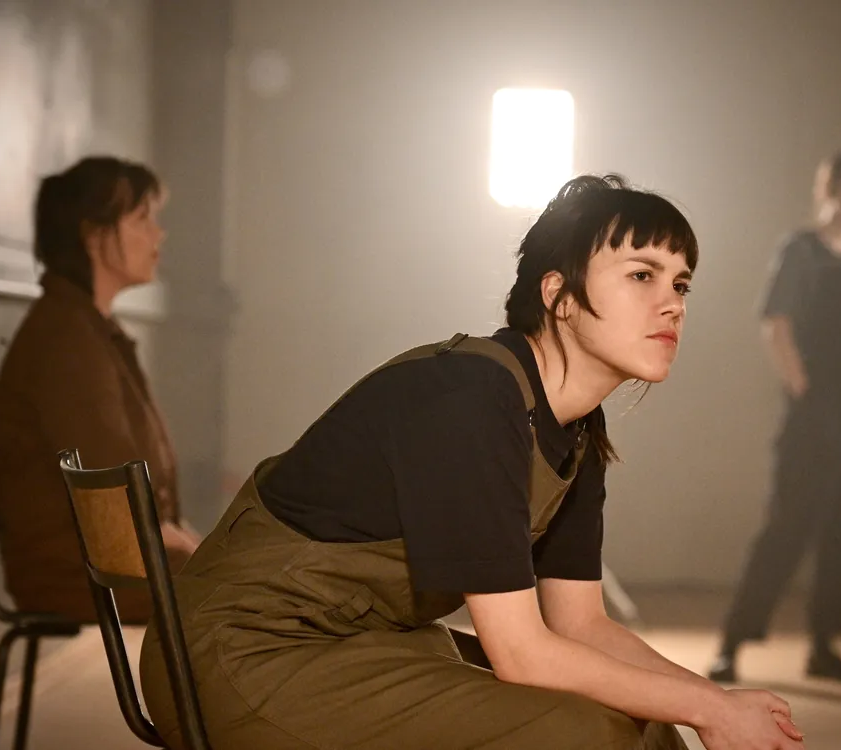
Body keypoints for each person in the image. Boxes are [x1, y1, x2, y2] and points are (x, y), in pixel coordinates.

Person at [140, 175, 805, 750]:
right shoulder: (473, 398)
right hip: (244, 658)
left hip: (359, 645)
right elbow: (522, 653)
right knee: (585, 735)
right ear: (560, 295)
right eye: (642, 275)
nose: (673, 304)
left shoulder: (575, 428)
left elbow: (582, 627)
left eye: (681, 284)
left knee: (640, 720)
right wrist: (710, 710)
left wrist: (717, 704)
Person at [709, 151, 841, 685]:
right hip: (819, 411)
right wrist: (805, 393)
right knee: (788, 527)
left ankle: (824, 645)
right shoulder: (801, 252)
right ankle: (732, 643)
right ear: (828, 190)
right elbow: (776, 324)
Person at [0, 156, 202, 623]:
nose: (158, 234)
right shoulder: (66, 337)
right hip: (77, 568)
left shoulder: (85, 327)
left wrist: (174, 531)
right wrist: (173, 536)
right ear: (94, 234)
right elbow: (110, 477)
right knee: (261, 590)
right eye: (143, 218)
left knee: (256, 574)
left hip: (105, 554)